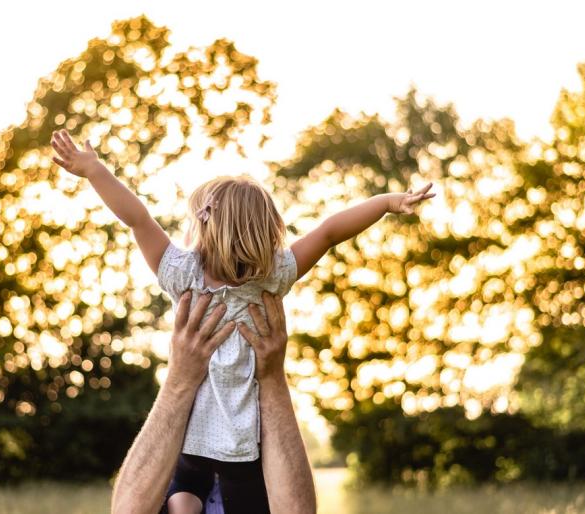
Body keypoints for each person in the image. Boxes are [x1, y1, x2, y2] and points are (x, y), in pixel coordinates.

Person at [50, 129, 434, 512]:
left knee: (184, 498)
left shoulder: (186, 275)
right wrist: (386, 203)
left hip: (194, 441)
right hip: (244, 445)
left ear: (206, 227)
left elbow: (137, 218)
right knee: (222, 498)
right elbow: (328, 233)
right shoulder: (271, 277)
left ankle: (185, 503)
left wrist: (95, 171)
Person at [110, 290, 316, 513]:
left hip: (194, 462)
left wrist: (179, 380)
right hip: (245, 467)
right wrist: (272, 378)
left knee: (184, 497)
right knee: (233, 478)